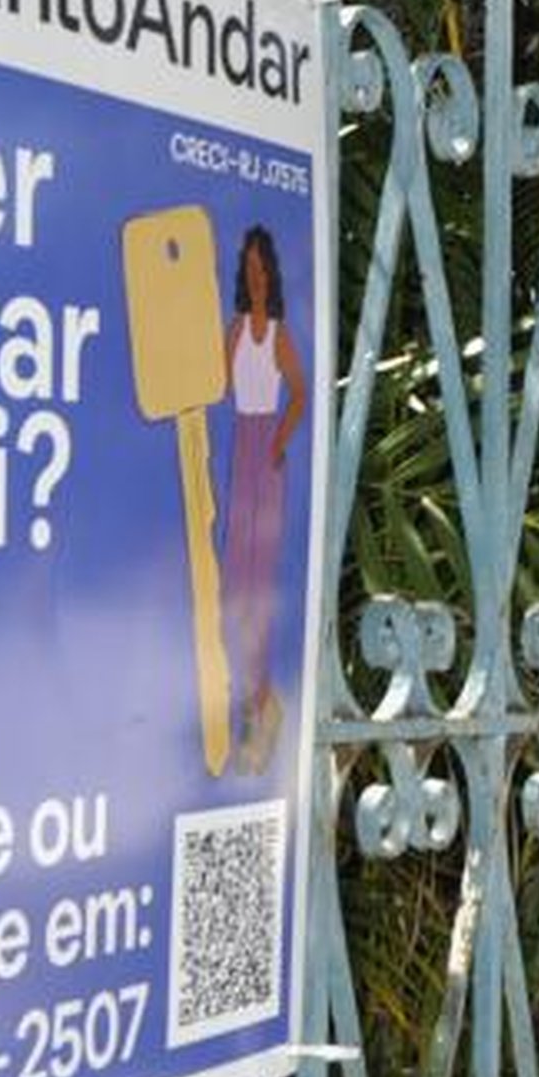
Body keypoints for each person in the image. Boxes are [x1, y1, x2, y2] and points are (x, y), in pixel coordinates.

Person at [219, 224, 307, 773]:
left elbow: (299, 392)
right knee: (236, 580)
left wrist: (277, 440)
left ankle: (261, 702)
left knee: (260, 583)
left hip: (265, 448)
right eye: (248, 268)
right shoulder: (236, 330)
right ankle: (252, 700)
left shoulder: (276, 334)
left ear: (270, 274)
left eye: (261, 267)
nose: (255, 276)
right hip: (241, 445)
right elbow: (217, 382)